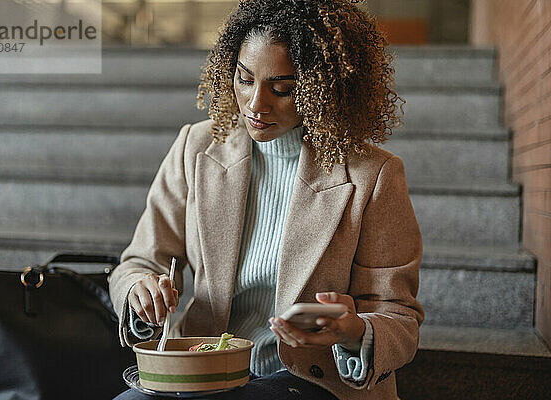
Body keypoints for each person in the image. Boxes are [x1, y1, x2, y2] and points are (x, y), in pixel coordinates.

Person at [109, 0, 424, 399]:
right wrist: (140, 292)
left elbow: (398, 317)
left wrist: (354, 331)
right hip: (202, 368)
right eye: (244, 79)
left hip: (309, 380)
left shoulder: (372, 176)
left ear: (321, 89)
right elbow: (138, 262)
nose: (256, 104)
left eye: (282, 89)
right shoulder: (196, 147)